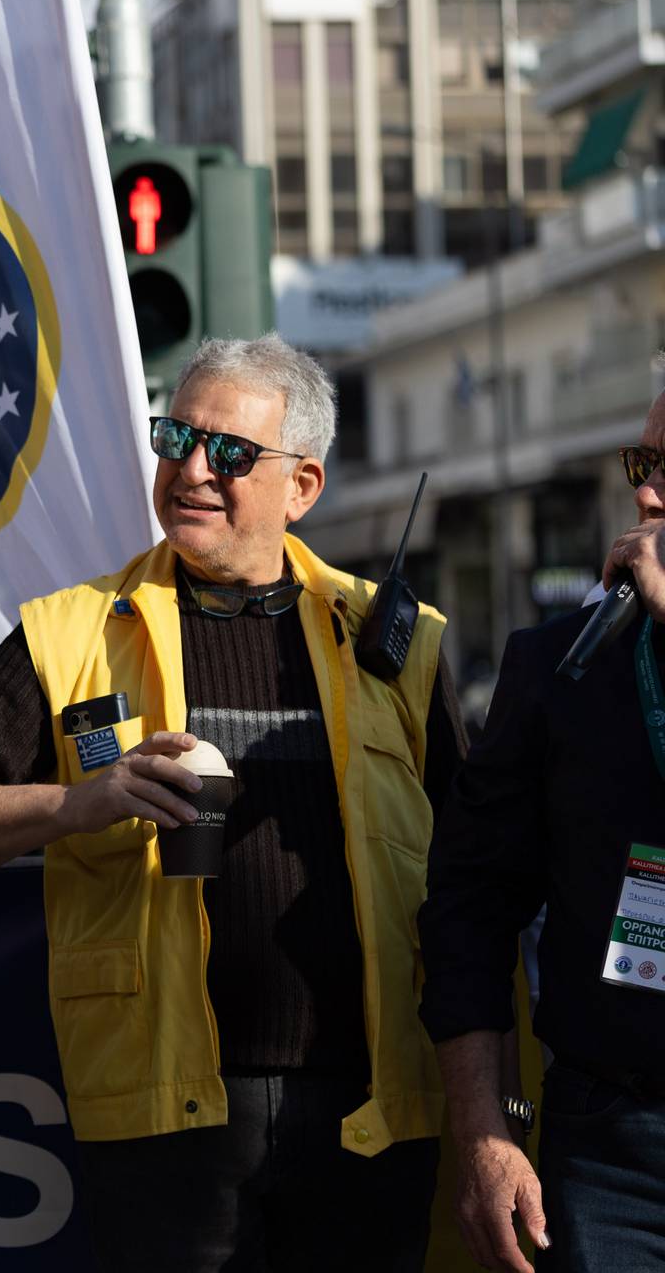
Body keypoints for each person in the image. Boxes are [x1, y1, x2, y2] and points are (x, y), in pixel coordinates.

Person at [0, 335, 466, 1271]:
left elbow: (479, 878)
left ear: (302, 486)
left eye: (232, 452)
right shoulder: (72, 630)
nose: (193, 469)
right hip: (165, 1121)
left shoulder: (398, 644)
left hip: (370, 1113)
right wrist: (71, 806)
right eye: (177, 438)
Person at [420, 389, 665, 1273]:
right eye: (645, 464)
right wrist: (486, 1130)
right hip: (612, 1150)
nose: (648, 494)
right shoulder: (558, 665)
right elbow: (471, 904)